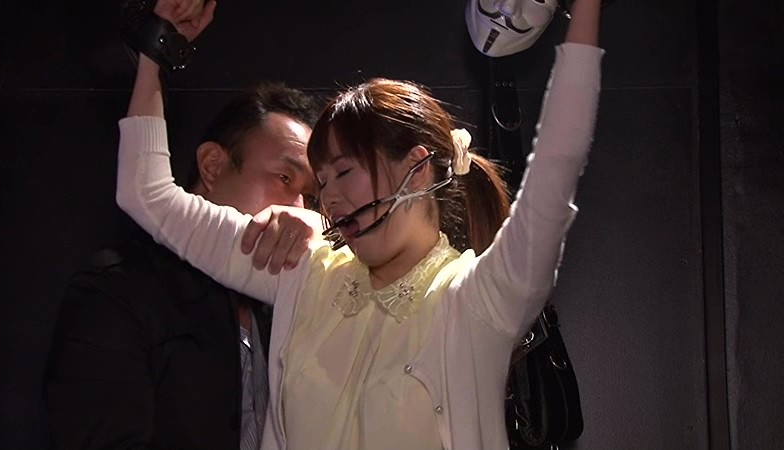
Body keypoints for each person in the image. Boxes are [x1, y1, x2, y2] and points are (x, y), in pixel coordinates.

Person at [115, 0, 604, 447]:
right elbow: (145, 193)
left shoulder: (477, 298)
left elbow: (558, 160)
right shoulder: (303, 273)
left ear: (416, 169)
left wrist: (586, 8)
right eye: (322, 181)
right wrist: (159, 49)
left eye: (344, 172)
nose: (329, 197)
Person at [44, 2, 324, 448]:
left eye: (310, 196)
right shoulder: (118, 292)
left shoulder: (287, 306)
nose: (296, 208)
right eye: (284, 179)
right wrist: (158, 49)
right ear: (212, 165)